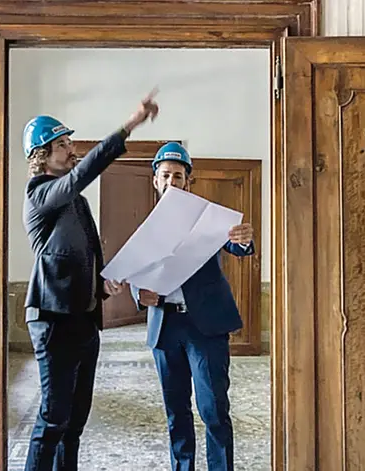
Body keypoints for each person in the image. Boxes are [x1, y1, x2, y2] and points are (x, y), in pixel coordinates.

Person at [21, 89, 160, 471]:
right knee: (53, 418)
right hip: (53, 319)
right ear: (41, 156)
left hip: (84, 320)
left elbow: (76, 254)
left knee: (74, 422)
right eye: (61, 145)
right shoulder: (40, 194)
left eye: (69, 142)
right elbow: (82, 175)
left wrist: (102, 284)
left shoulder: (76, 201)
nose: (71, 149)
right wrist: (130, 124)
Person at [129, 141, 254, 471]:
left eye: (178, 176)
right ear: (155, 180)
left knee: (213, 409)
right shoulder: (145, 226)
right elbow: (133, 269)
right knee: (176, 411)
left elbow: (236, 244)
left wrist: (244, 241)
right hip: (165, 327)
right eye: (165, 175)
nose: (171, 181)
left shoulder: (208, 217)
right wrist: (138, 294)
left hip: (205, 328)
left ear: (188, 181)